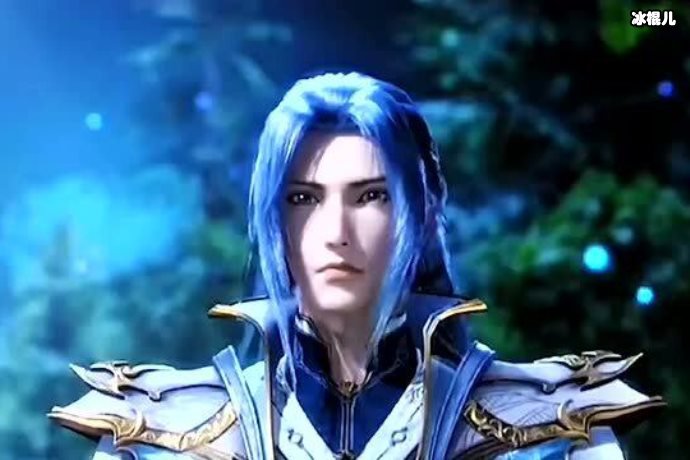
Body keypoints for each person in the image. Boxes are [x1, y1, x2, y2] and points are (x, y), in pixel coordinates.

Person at [49, 72, 665, 459]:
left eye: (370, 196)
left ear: (422, 212)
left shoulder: (552, 427)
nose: (335, 232)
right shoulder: (158, 432)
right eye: (304, 199)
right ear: (274, 220)